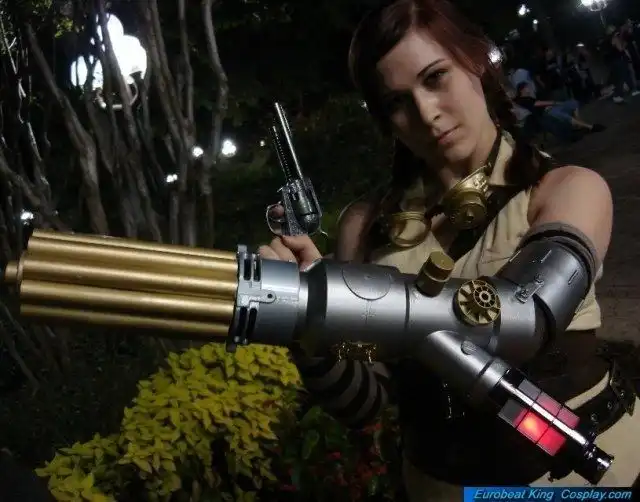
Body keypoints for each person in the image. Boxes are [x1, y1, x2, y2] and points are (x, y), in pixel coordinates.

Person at [259, 0, 640, 500]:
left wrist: (339, 301)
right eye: (397, 101)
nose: (426, 113)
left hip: (578, 479)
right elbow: (366, 401)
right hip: (439, 489)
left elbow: (526, 316)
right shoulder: (364, 228)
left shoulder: (568, 189)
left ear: (476, 60)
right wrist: (303, 320)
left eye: (435, 77)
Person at [514, 82, 605, 140]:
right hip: (546, 113)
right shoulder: (523, 100)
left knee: (573, 103)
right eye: (528, 87)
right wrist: (555, 102)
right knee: (564, 116)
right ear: (522, 90)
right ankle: (590, 127)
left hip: (550, 108)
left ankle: (580, 123)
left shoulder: (529, 97)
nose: (530, 88)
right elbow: (538, 103)